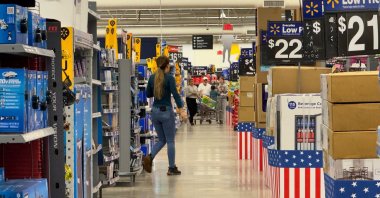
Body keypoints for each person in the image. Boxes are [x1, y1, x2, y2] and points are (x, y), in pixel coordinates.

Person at [143, 56, 187, 176]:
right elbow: (176, 95)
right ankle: (171, 168)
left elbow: (148, 94)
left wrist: (156, 88)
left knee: (162, 140)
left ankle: (150, 157)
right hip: (166, 112)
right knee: (170, 141)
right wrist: (182, 110)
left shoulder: (152, 78)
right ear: (167, 66)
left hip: (155, 112)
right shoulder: (169, 78)